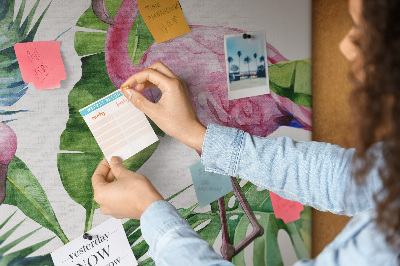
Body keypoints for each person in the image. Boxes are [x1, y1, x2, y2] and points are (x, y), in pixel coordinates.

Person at [91, 0, 400, 264]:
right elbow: (348, 179)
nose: (345, 47)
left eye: (365, 30)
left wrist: (149, 211)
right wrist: (197, 135)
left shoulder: (383, 247)